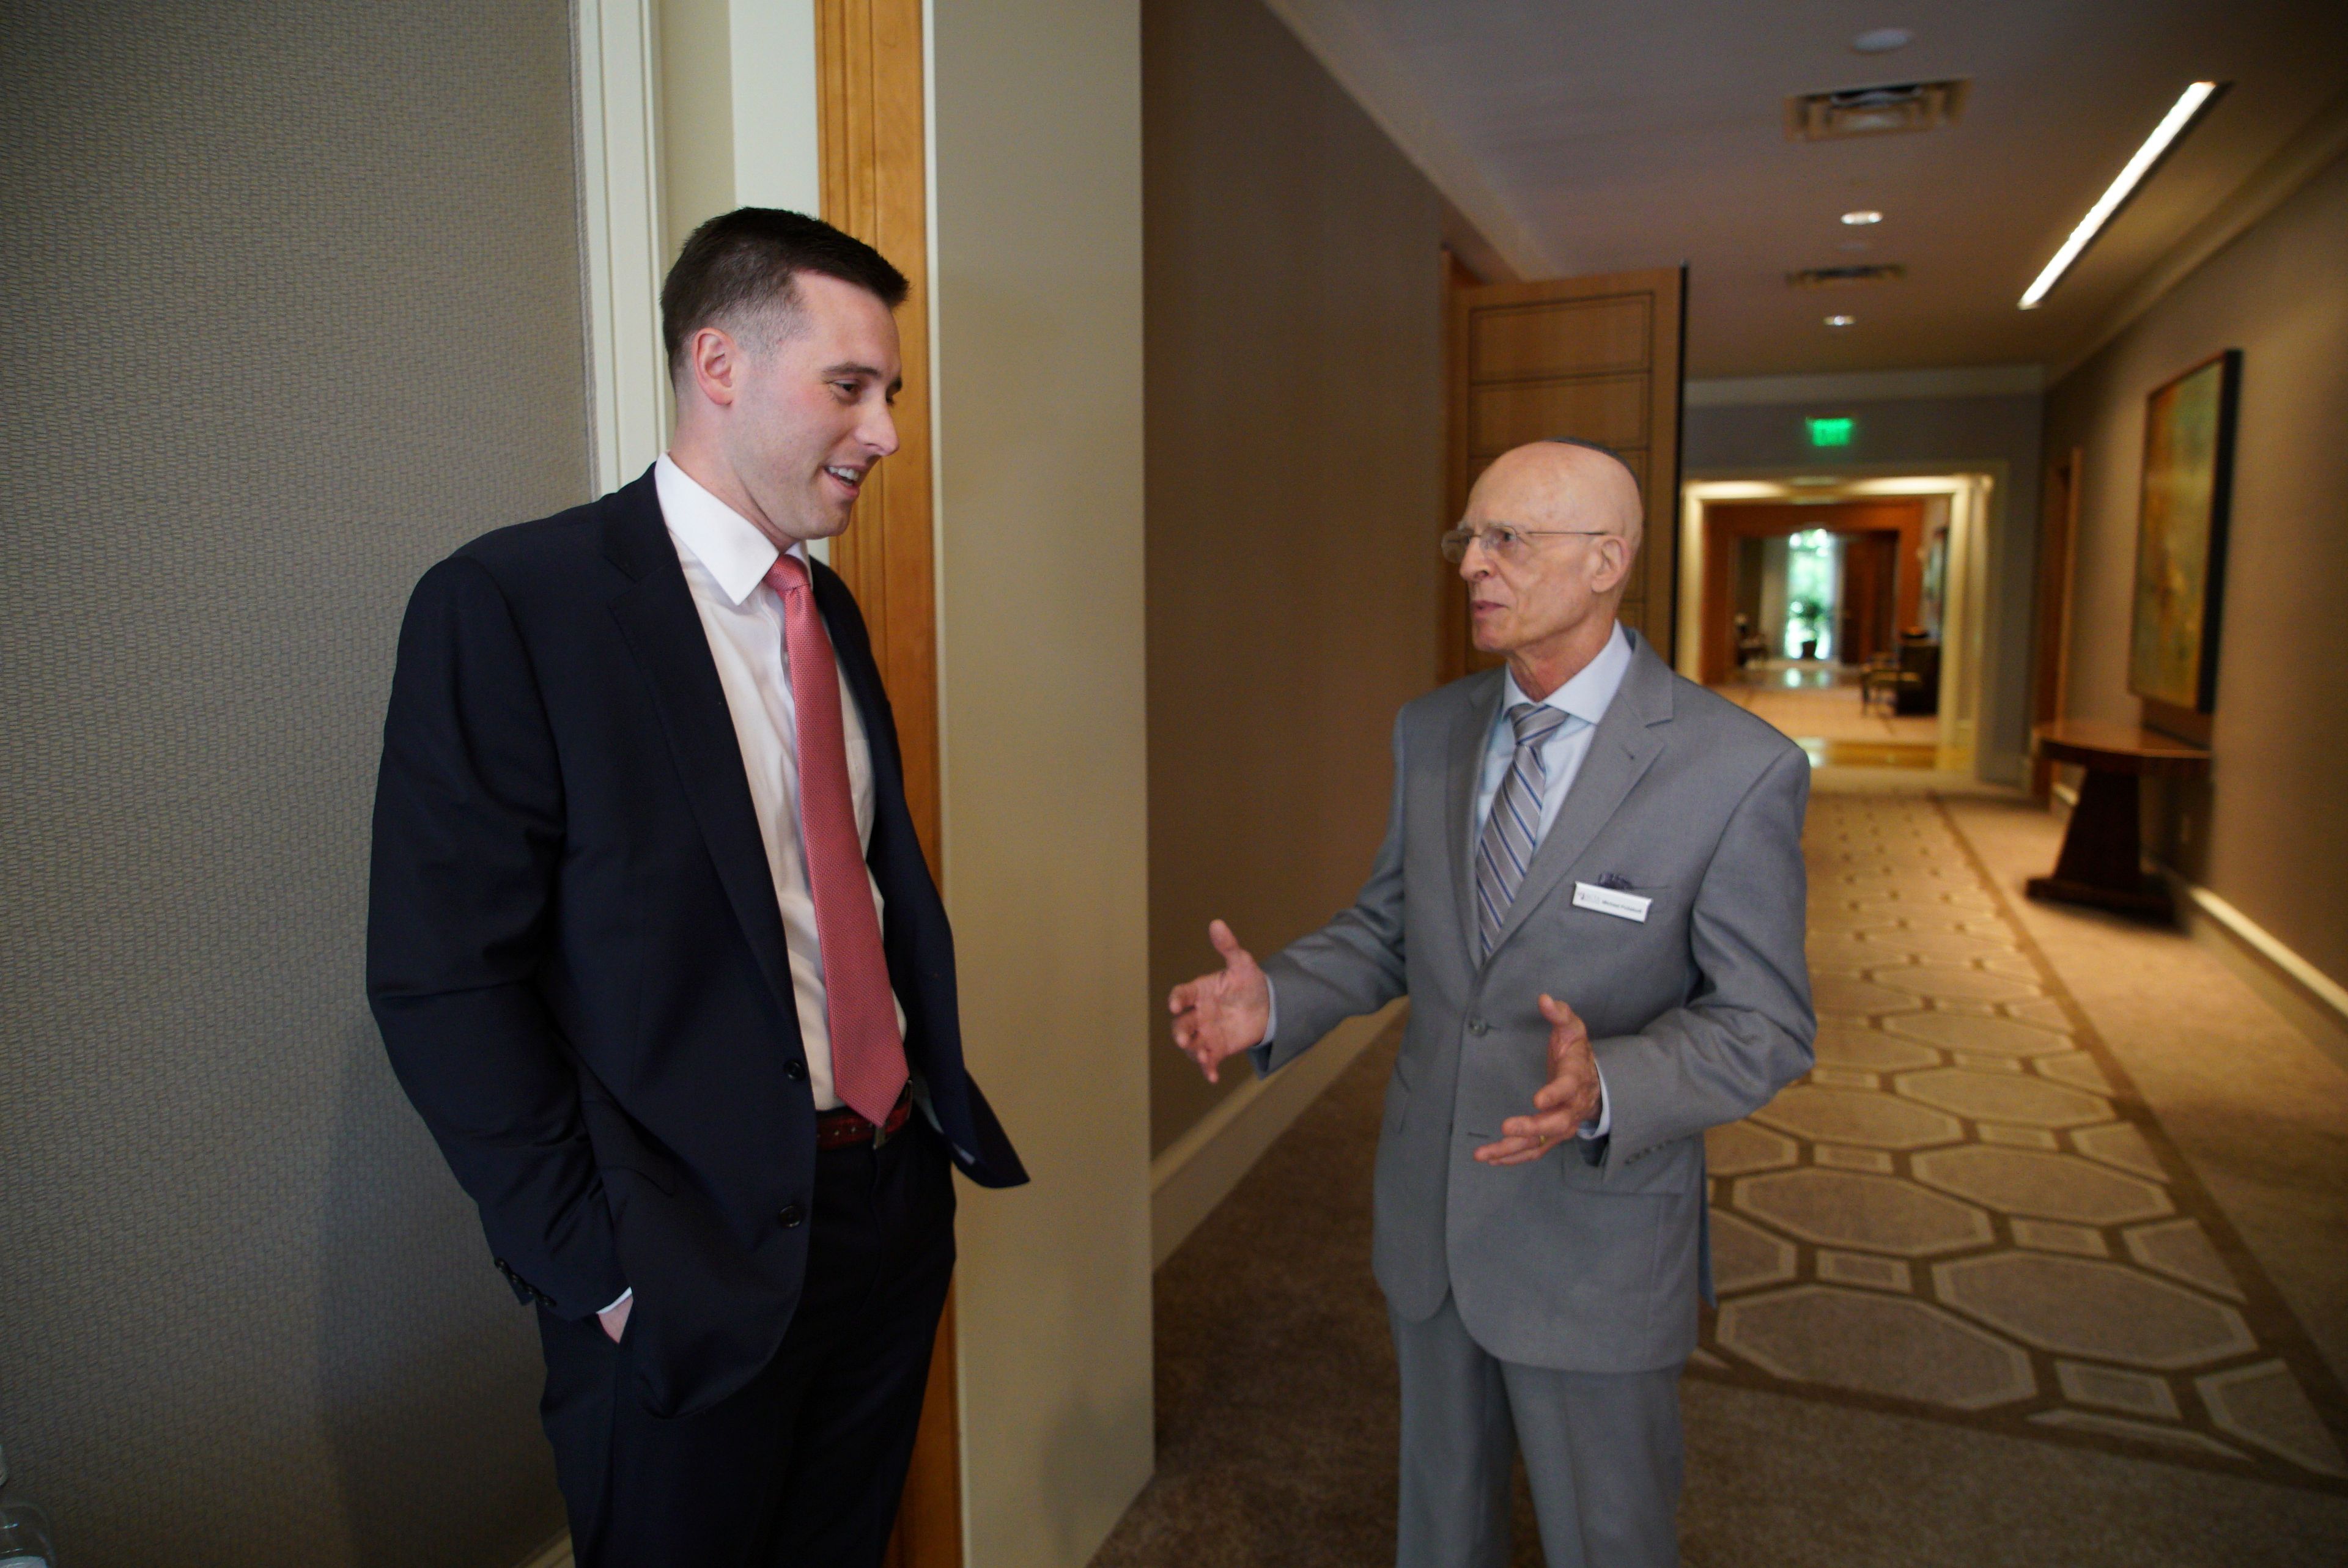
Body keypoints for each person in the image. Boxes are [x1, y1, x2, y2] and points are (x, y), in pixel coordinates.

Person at [368, 208, 1024, 1568]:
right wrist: (601, 1271)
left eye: (889, 391)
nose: (888, 429)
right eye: (850, 386)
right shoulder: (515, 604)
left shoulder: (825, 610)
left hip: (887, 1215)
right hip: (678, 1259)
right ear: (717, 365)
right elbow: (443, 976)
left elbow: (851, 892)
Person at [1168, 440, 1812, 1568]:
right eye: (1469, 537)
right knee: (1442, 1523)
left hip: (1594, 1237)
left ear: (1609, 560)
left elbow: (1766, 1021)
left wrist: (1612, 1080)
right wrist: (1277, 997)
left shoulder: (1734, 767)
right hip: (1434, 1214)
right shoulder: (1437, 729)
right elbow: (1396, 928)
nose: (1474, 565)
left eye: (1509, 539)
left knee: (1604, 1535)